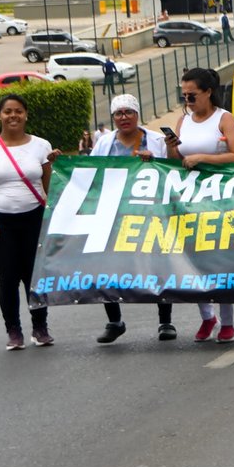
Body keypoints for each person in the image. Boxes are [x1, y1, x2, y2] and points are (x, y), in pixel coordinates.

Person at [166, 67, 234, 342]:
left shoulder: (223, 119)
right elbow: (176, 160)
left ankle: (227, 321)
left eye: (192, 95)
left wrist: (203, 158)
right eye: (184, 95)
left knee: (219, 260)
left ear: (208, 92)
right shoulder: (182, 121)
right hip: (188, 199)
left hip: (219, 198)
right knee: (193, 259)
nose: (188, 100)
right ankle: (206, 316)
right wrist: (171, 147)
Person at [0, 95, 58, 350]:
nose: (13, 116)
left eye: (18, 111)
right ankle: (13, 330)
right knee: (8, 276)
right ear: (0, 115)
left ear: (26, 115)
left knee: (34, 275)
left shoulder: (41, 146)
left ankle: (40, 327)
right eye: (8, 111)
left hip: (33, 218)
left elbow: (50, 187)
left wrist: (57, 165)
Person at [86, 94, 166, 344]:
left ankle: (166, 321)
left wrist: (153, 161)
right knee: (107, 267)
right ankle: (114, 321)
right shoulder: (104, 144)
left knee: (158, 265)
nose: (124, 117)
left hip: (149, 210)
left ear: (137, 114)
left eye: (128, 112)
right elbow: (90, 172)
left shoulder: (156, 140)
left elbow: (171, 170)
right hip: (114, 212)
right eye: (118, 113)